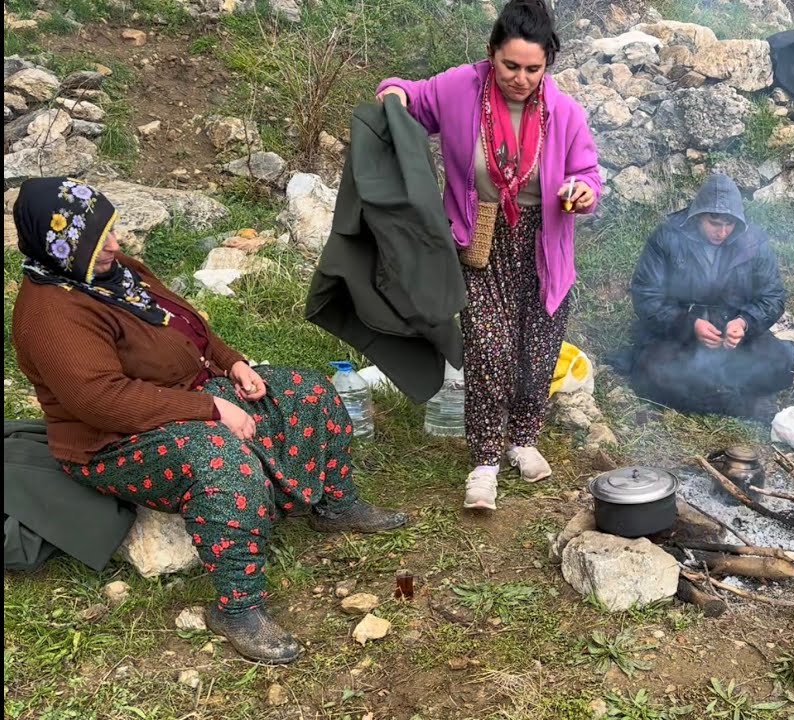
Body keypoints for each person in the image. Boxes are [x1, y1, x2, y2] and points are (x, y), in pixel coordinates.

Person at [10, 177, 409, 664]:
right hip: (112, 441)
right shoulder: (51, 313)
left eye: (110, 231)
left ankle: (336, 505)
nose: (114, 245)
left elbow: (187, 325)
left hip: (185, 395)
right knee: (220, 462)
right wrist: (212, 409)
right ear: (60, 247)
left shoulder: (117, 273)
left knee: (308, 391)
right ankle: (237, 608)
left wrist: (233, 362)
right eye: (97, 241)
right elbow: (101, 401)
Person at [376, 0, 601, 512]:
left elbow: (587, 173)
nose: (520, 78)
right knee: (489, 348)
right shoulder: (460, 88)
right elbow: (411, 96)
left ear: (547, 65)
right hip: (480, 239)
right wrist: (392, 93)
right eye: (510, 66)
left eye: (532, 69)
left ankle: (523, 439)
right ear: (491, 55)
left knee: (538, 351)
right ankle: (484, 461)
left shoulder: (563, 112)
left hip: (544, 243)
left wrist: (582, 191)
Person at [626, 173, 794, 418]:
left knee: (784, 364)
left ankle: (711, 393)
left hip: (734, 335)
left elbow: (772, 296)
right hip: (678, 335)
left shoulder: (754, 242)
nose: (722, 232)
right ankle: (736, 401)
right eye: (714, 223)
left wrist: (744, 323)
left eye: (729, 224)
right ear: (698, 216)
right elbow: (646, 296)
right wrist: (690, 324)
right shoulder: (667, 237)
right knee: (652, 372)